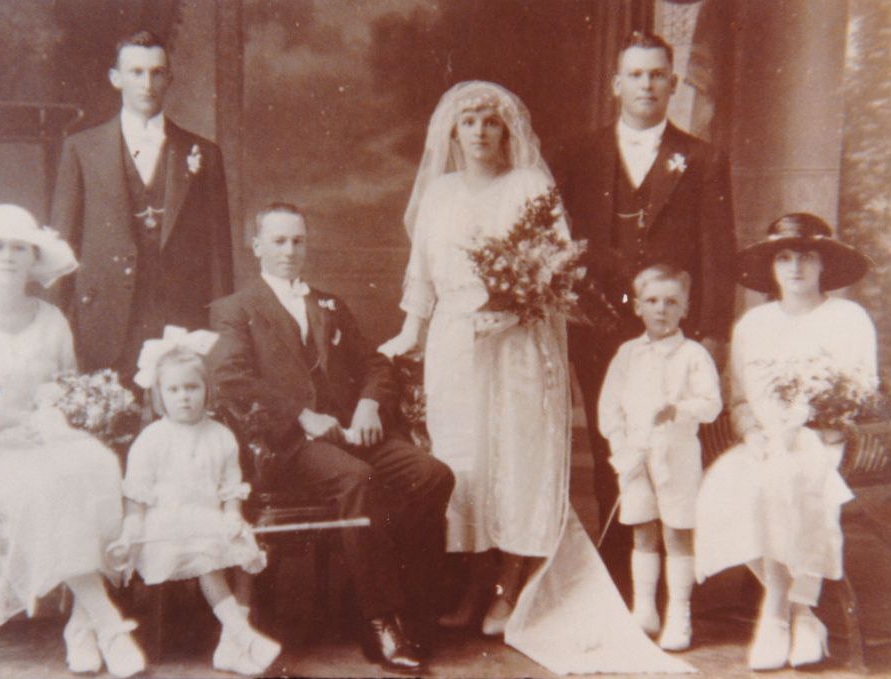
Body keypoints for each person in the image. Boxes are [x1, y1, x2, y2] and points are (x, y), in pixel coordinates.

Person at [379, 80, 693, 674]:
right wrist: (410, 333)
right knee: (468, 464)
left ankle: (510, 583)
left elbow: (554, 273)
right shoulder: (441, 194)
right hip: (457, 346)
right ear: (452, 132)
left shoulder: (530, 185)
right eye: (468, 122)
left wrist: (516, 306)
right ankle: (473, 584)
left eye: (490, 123)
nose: (479, 133)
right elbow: (420, 274)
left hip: (520, 344)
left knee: (517, 461)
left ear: (506, 131)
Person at [207, 204, 454, 674]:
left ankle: (407, 607)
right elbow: (229, 378)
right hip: (290, 445)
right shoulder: (235, 310)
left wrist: (368, 404)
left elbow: (376, 364)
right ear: (257, 246)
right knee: (357, 479)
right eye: (278, 241)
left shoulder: (330, 304)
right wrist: (301, 416)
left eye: (297, 241)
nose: (289, 251)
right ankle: (379, 618)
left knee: (431, 475)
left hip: (350, 430)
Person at [0, 204, 145, 678]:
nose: (8, 256)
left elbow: (66, 387)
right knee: (48, 486)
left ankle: (80, 628)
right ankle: (106, 625)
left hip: (44, 437)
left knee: (99, 466)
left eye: (19, 248)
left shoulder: (51, 319)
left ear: (33, 257)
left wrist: (49, 417)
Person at [554, 30, 736, 550]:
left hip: (672, 333)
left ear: (673, 83)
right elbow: (552, 240)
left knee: (671, 452)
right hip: (598, 328)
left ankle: (670, 580)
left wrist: (715, 335)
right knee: (616, 445)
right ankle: (618, 574)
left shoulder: (702, 159)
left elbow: (719, 252)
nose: (647, 85)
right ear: (616, 84)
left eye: (657, 75)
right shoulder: (577, 154)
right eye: (636, 75)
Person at [695, 213, 876, 670]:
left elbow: (860, 392)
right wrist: (755, 434)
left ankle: (778, 612)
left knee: (788, 476)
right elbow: (739, 401)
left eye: (808, 257)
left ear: (824, 266)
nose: (796, 268)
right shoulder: (752, 325)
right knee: (729, 482)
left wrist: (827, 421)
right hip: (766, 440)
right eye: (784, 257)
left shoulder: (848, 318)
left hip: (828, 441)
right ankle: (801, 615)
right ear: (771, 268)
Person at [50, 29, 233, 377]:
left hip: (179, 326)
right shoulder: (81, 149)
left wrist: (218, 334)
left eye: (156, 73)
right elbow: (63, 249)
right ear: (116, 78)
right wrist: (57, 328)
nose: (147, 83)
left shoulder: (204, 153)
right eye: (136, 72)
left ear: (169, 78)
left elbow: (218, 257)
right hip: (102, 326)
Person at [108, 327, 280, 676]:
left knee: (245, 549)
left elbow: (231, 490)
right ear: (159, 395)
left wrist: (233, 516)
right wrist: (131, 532)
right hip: (164, 526)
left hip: (211, 516)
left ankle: (231, 644)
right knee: (208, 555)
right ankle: (243, 635)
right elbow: (136, 499)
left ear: (207, 390)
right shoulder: (152, 440)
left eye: (192, 387)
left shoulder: (221, 436)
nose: (184, 397)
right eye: (173, 390)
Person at [598, 264, 721, 651]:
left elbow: (711, 404)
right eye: (651, 301)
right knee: (642, 529)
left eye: (671, 302)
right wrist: (620, 446)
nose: (661, 309)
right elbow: (609, 407)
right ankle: (644, 609)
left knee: (677, 531)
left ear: (685, 308)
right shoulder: (627, 354)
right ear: (637, 307)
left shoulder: (693, 354)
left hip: (677, 454)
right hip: (635, 455)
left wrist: (678, 409)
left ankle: (678, 614)